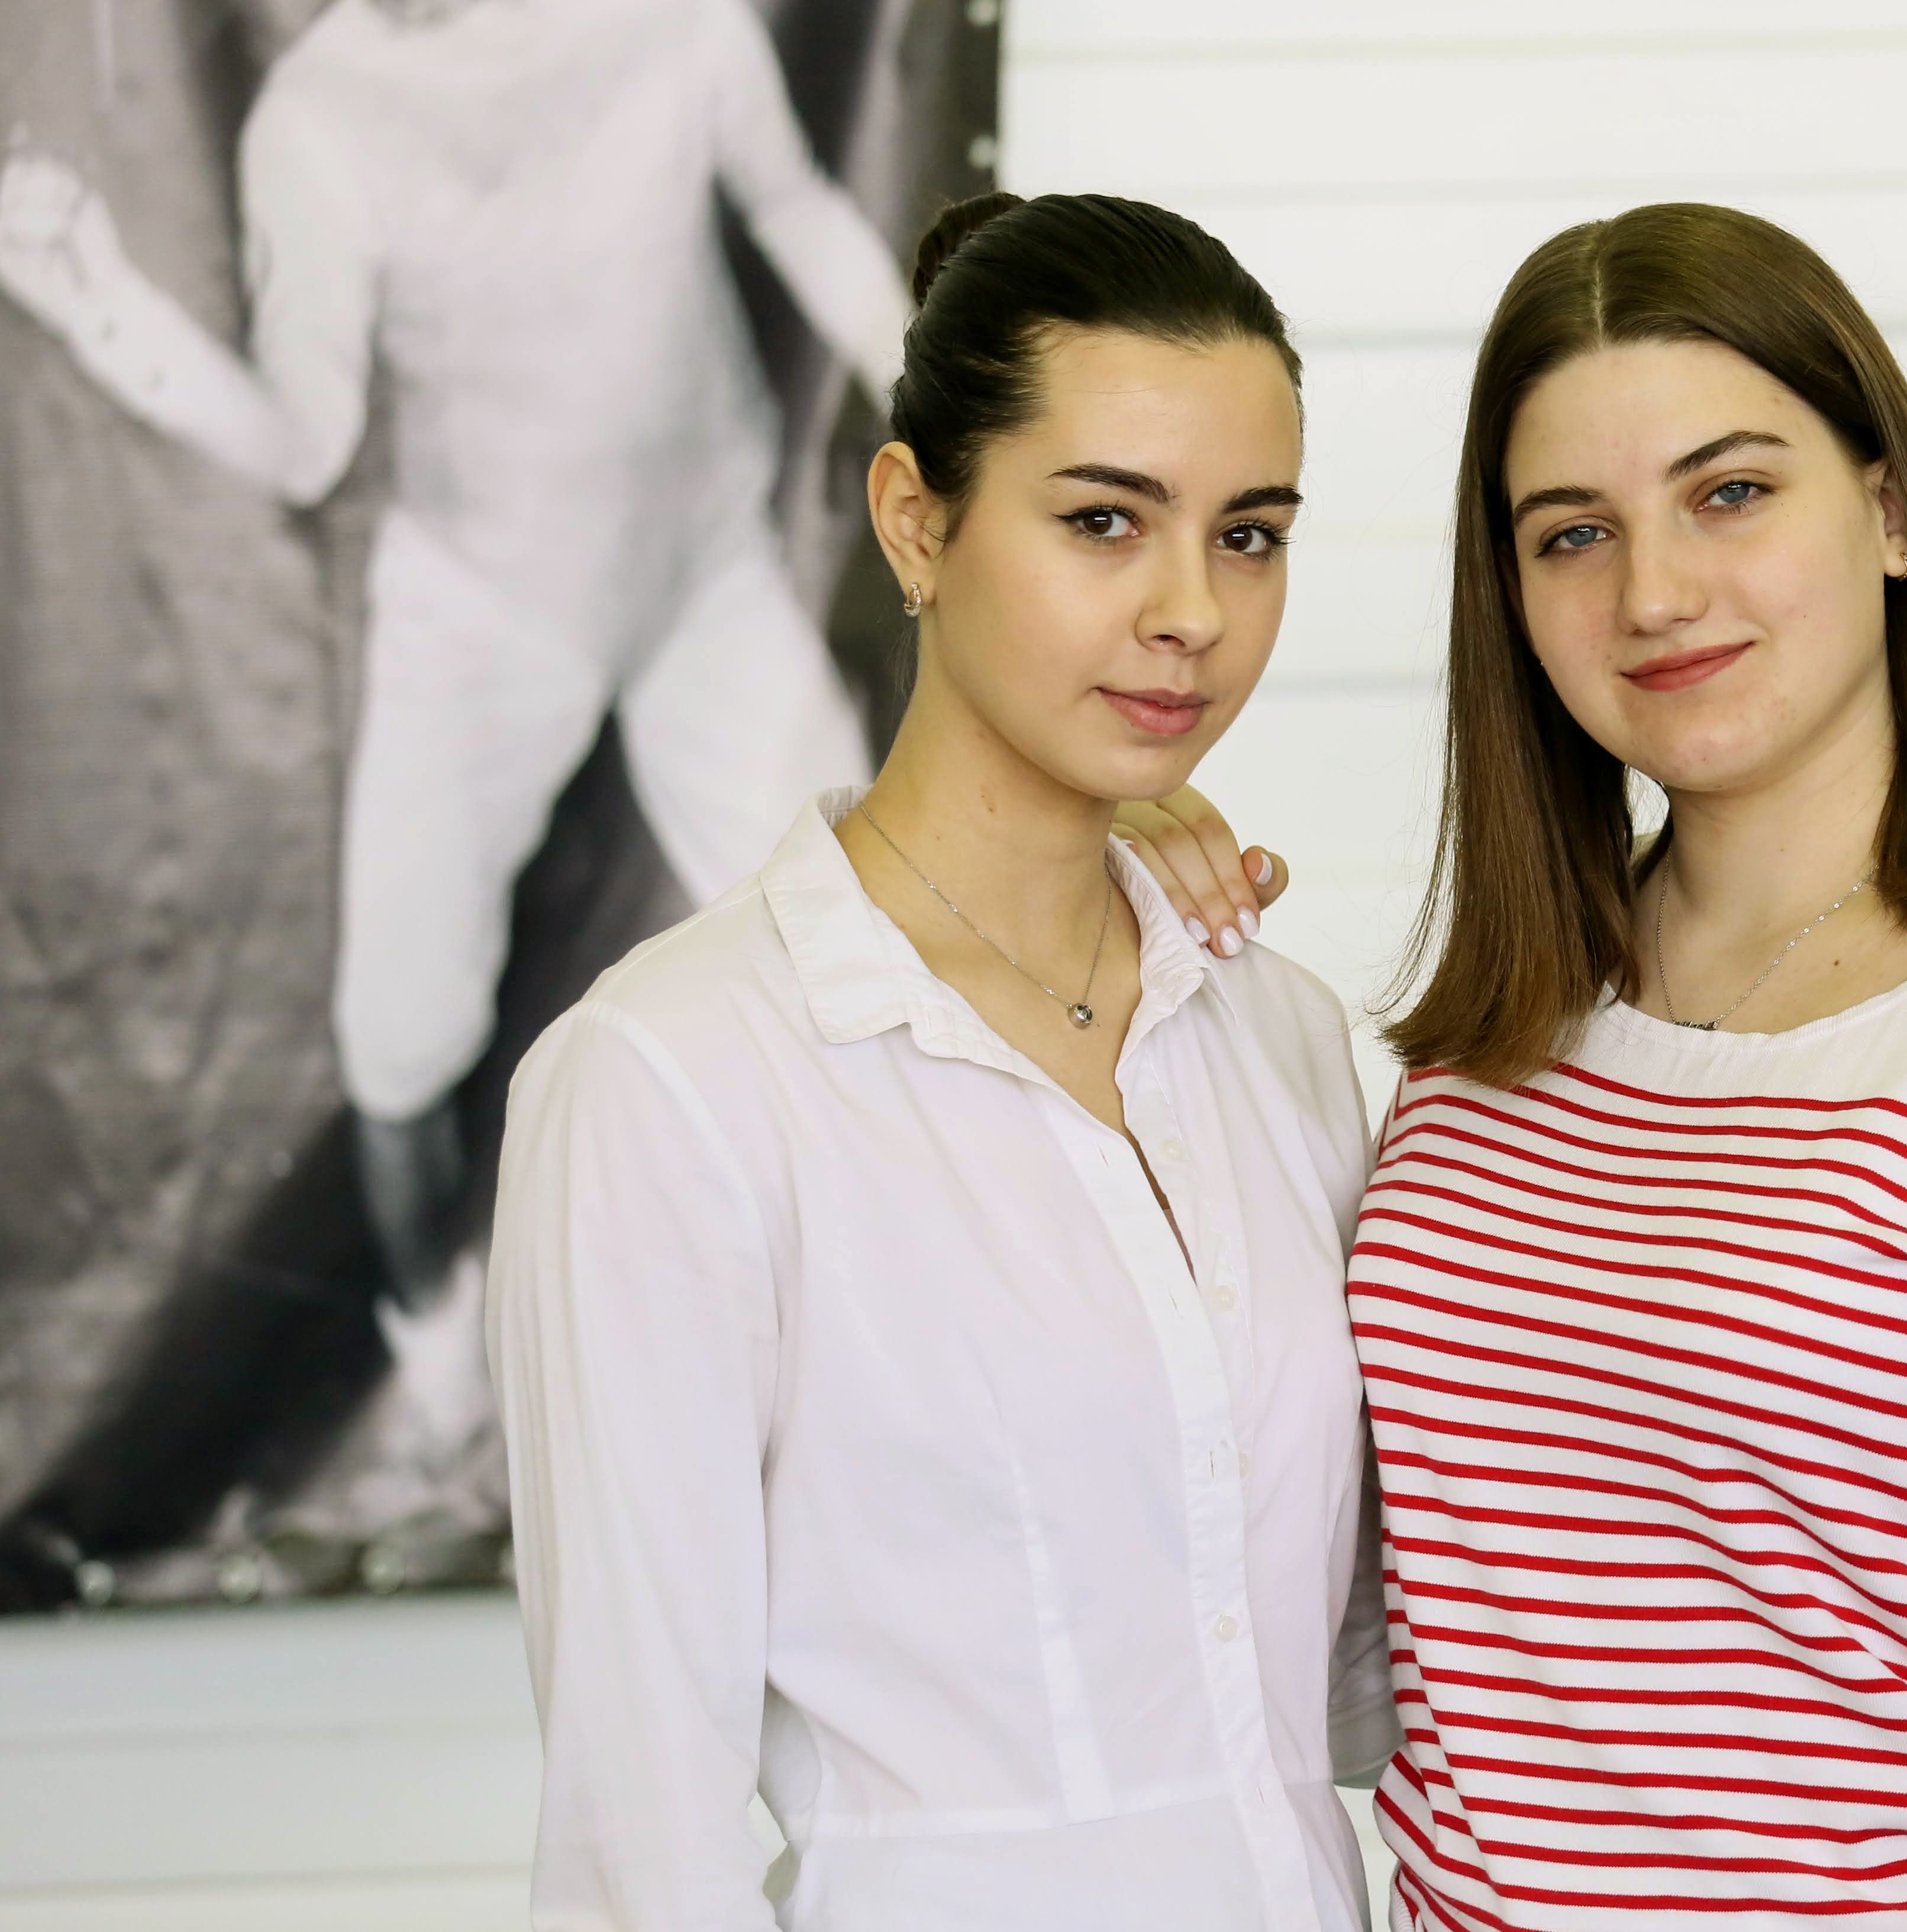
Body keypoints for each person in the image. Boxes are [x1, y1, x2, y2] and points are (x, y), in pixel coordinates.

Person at [1122, 202, 1907, 1931]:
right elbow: (1369, 1583)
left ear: (1890, 512)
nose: (1655, 592)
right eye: (1572, 533)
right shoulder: (1508, 1027)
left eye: (1731, 492)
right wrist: (1088, 874)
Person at [486, 192, 1397, 1932]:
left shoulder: (1275, 1032)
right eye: (1104, 521)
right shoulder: (671, 1082)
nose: (1192, 611)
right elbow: (640, 1847)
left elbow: (1361, 1689)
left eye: (1249, 534)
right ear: (916, 520)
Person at [0, 0, 906, 1305]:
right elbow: (305, 446)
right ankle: (436, 1348)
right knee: (396, 1041)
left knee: (875, 955)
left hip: (704, 575)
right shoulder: (319, 113)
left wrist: (956, 412)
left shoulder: (669, 21)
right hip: (481, 613)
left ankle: (881, 1330)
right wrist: (99, 303)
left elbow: (795, 203)